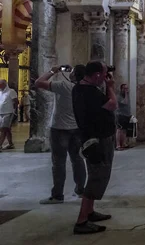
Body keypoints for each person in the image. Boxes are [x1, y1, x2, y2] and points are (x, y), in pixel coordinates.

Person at [71, 61, 118, 234]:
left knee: (95, 175)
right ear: (97, 74)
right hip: (97, 140)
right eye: (104, 74)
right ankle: (82, 221)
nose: (105, 77)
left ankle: (89, 212)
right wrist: (111, 87)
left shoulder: (78, 88)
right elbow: (112, 104)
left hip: (91, 138)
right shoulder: (90, 92)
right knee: (97, 177)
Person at [35, 65, 87, 204]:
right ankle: (81, 190)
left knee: (58, 163)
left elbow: (38, 82)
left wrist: (53, 70)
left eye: (73, 72)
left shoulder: (64, 86)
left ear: (75, 75)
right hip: (77, 128)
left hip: (59, 129)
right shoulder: (85, 88)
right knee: (78, 160)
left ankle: (58, 195)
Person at [0, 79, 18, 150]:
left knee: (3, 129)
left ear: (5, 84)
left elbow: (16, 101)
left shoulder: (11, 91)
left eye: (1, 84)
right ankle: (11, 144)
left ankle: (0, 145)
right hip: (0, 113)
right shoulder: (0, 92)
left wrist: (14, 111)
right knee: (7, 129)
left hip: (8, 113)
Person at [116, 84, 133, 150]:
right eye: (125, 88)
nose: (126, 90)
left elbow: (128, 105)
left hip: (126, 115)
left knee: (125, 130)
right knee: (119, 130)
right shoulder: (119, 96)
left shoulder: (127, 96)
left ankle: (123, 144)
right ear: (121, 89)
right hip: (120, 115)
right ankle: (118, 145)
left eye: (127, 88)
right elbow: (125, 102)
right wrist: (126, 94)